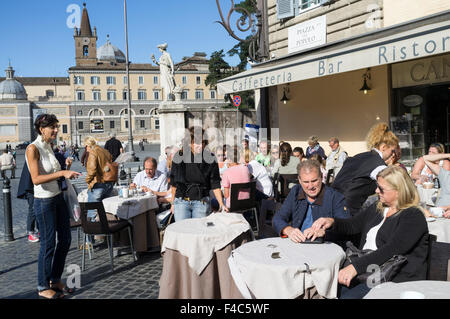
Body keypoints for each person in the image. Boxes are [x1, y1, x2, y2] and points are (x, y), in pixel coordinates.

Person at [306, 166, 429, 299]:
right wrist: (330, 223)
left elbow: (391, 249)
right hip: (368, 273)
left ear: (399, 191)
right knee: (320, 288)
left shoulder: (413, 216)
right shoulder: (379, 207)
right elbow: (353, 225)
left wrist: (355, 268)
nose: (376, 191)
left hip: (394, 279)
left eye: (381, 188)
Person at [26, 114, 81, 299]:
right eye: (53, 127)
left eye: (57, 126)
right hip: (44, 202)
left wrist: (64, 168)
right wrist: (63, 173)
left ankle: (55, 279)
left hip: (58, 198)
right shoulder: (32, 149)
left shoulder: (49, 146)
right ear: (42, 129)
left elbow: (52, 170)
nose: (57, 130)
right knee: (48, 244)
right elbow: (36, 179)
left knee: (65, 239)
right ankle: (42, 286)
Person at [272, 159, 349, 242]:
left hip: (324, 247)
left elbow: (347, 225)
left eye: (314, 181)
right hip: (299, 245)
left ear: (321, 177)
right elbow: (278, 218)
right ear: (300, 180)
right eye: (306, 182)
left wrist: (326, 230)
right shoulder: (296, 192)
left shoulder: (335, 197)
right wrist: (288, 230)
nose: (310, 186)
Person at [331, 123, 399, 216]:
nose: (393, 155)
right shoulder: (378, 164)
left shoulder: (361, 156)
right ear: (383, 147)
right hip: (347, 210)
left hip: (332, 201)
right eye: (392, 151)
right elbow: (393, 185)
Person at [169, 127, 228, 221]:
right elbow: (174, 182)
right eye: (196, 143)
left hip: (202, 201)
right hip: (181, 201)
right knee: (183, 232)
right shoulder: (179, 156)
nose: (200, 146)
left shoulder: (211, 158)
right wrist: (172, 204)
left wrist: (221, 203)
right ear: (190, 143)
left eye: (202, 143)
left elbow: (215, 183)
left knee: (200, 232)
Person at [85, 136, 115, 220]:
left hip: (97, 184)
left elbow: (92, 169)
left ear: (89, 145)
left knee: (93, 212)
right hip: (108, 183)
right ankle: (105, 231)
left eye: (86, 146)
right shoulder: (106, 152)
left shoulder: (93, 152)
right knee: (105, 211)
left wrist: (88, 181)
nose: (86, 149)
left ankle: (95, 231)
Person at [17, 161, 39, 243]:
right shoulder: (32, 153)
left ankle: (39, 229)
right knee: (33, 209)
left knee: (38, 209)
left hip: (35, 187)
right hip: (31, 188)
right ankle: (30, 231)